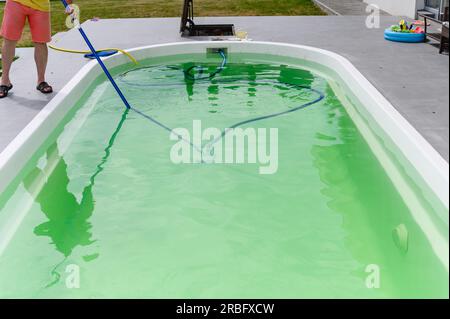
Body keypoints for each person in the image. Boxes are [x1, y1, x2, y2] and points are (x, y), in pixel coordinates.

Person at [0, 0, 73, 98]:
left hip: (41, 5)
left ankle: (41, 81)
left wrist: (69, 4)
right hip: (15, 2)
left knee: (41, 42)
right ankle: (5, 81)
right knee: (9, 40)